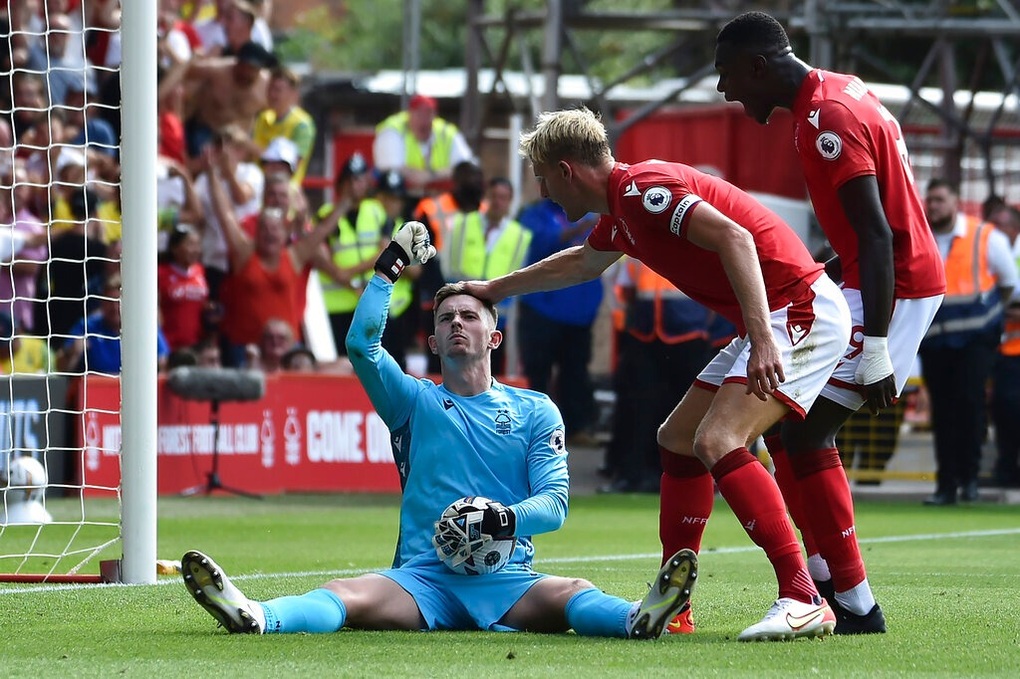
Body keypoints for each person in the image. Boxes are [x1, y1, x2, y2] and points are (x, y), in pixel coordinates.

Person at [181, 221, 697, 639]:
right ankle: (258, 615)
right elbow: (361, 346)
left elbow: (554, 506)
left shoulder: (536, 410)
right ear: (432, 343)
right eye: (445, 318)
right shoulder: (413, 401)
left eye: (468, 316)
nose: (455, 323)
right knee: (345, 592)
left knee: (572, 592)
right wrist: (389, 268)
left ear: (493, 337)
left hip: (506, 579)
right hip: (423, 578)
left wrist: (501, 520)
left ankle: (637, 617)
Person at [464, 107, 851, 641]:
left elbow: (736, 238)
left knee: (717, 439)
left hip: (799, 310)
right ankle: (677, 604)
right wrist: (494, 289)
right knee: (678, 440)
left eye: (542, 177)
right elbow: (579, 263)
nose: (543, 191)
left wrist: (762, 338)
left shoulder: (646, 191)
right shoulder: (621, 211)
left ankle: (804, 597)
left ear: (565, 170)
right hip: (776, 315)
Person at [714, 11, 948, 633]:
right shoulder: (838, 93)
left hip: (894, 287)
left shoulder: (828, 118)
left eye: (727, 73)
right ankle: (823, 582)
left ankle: (857, 605)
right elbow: (870, 226)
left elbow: (879, 234)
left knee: (808, 429)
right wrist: (823, 272)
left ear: (758, 66)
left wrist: (876, 347)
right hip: (870, 280)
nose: (724, 90)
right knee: (788, 424)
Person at [919, 179, 1017, 504]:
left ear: (956, 202)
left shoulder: (985, 236)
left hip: (976, 339)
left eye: (940, 199)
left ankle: (969, 479)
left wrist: (989, 316)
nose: (933, 206)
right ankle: (946, 484)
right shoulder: (921, 236)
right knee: (942, 411)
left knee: (970, 405)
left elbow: (1009, 283)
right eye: (930, 200)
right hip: (935, 340)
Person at [516, 199, 603, 445]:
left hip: (580, 312)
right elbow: (540, 244)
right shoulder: (535, 214)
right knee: (537, 372)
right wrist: (582, 227)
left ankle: (575, 429)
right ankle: (534, 430)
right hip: (541, 308)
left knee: (575, 372)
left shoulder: (592, 215)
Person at [442, 177, 532, 376]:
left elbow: (519, 277)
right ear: (486, 196)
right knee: (453, 369)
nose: (498, 202)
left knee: (488, 372)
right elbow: (447, 263)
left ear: (510, 201)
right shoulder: (462, 224)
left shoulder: (519, 236)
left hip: (495, 316)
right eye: (494, 196)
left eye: (503, 198)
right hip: (458, 310)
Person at [373, 94, 476, 210]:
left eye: (428, 114)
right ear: (409, 114)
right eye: (419, 114)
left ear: (435, 116)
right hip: (402, 199)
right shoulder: (393, 129)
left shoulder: (446, 133)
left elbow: (467, 168)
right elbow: (389, 168)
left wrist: (431, 175)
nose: (424, 120)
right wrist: (444, 174)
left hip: (440, 201)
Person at [988, 204, 1020, 488]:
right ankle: (1006, 468)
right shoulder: (991, 252)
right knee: (1003, 411)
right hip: (1001, 351)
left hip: (1013, 350)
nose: (994, 231)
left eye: (999, 226)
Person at [251, 65, 316, 186]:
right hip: (257, 185)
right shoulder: (263, 117)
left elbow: (290, 164)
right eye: (270, 89)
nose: (272, 94)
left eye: (278, 90)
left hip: (284, 189)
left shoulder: (302, 124)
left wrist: (246, 144)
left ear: (293, 93)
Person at [158, 224, 210, 353]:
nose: (195, 250)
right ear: (174, 248)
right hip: (169, 347)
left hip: (196, 346)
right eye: (190, 244)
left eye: (197, 244)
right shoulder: (161, 273)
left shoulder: (200, 271)